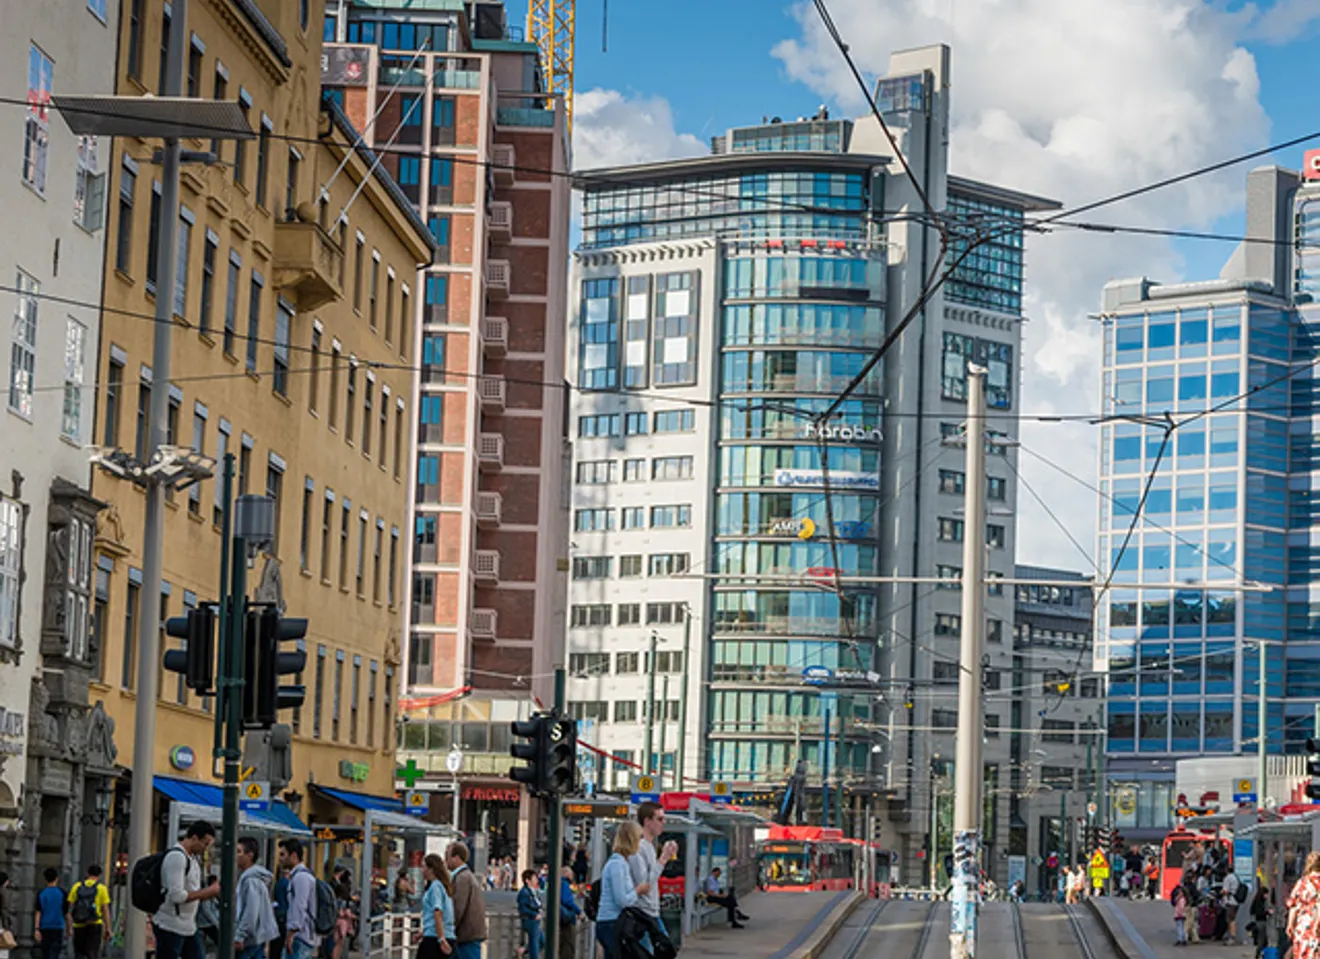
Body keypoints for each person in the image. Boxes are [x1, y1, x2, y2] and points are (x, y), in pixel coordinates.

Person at [154, 820, 221, 959]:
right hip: (171, 924)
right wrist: (208, 892)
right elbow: (176, 895)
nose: (205, 848)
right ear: (194, 838)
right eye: (205, 843)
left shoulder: (193, 859)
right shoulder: (177, 858)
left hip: (188, 925)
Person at [598, 822, 650, 959]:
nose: (641, 842)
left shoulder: (619, 863)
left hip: (609, 922)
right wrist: (638, 891)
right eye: (639, 838)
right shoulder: (618, 865)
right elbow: (622, 900)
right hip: (612, 922)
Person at [628, 803, 677, 929]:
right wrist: (663, 859)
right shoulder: (638, 848)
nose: (663, 822)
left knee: (663, 947)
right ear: (647, 821)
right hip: (642, 913)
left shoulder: (650, 847)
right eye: (660, 819)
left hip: (651, 911)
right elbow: (644, 884)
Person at [234, 837, 279, 959]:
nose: (235, 855)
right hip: (257, 937)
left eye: (238, 851)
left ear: (250, 855)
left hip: (250, 940)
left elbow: (251, 911)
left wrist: (240, 936)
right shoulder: (254, 878)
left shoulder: (251, 881)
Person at [278, 838, 320, 959]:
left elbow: (299, 906)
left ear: (294, 855)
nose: (280, 858)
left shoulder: (301, 877)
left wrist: (291, 933)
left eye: (283, 854)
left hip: (300, 937)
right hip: (303, 936)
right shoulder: (302, 876)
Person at [446, 842, 487, 959]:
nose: (445, 860)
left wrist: (447, 930)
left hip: (466, 937)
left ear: (457, 858)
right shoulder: (466, 876)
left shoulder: (462, 878)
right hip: (468, 936)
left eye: (447, 856)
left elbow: (457, 908)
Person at [68, 864, 111, 959]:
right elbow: (105, 909)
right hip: (95, 923)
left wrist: (69, 926)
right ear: (99, 875)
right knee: (92, 953)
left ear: (87, 873)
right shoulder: (102, 888)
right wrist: (108, 928)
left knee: (79, 953)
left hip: (79, 924)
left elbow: (69, 907)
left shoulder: (77, 886)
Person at [419, 853, 455, 959]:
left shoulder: (435, 887)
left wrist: (441, 939)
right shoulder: (442, 886)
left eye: (423, 866)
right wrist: (423, 932)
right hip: (442, 934)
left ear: (431, 869)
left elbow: (437, 912)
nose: (422, 870)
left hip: (434, 938)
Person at [1288, 851, 1320, 959]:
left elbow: (1293, 905)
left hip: (1304, 925)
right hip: (1317, 926)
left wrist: (1290, 924)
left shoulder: (1302, 882)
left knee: (1303, 953)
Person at [34, 867, 66, 959]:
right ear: (57, 878)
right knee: (55, 952)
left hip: (44, 926)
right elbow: (66, 912)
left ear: (45, 879)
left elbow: (38, 912)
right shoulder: (62, 893)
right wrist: (69, 927)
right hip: (58, 926)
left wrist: (36, 929)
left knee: (45, 953)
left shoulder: (41, 893)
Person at [517, 870, 544, 959]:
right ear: (527, 880)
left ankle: (523, 950)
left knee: (541, 941)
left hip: (535, 919)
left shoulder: (533, 891)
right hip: (531, 920)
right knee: (535, 943)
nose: (536, 880)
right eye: (534, 878)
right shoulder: (525, 892)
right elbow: (522, 908)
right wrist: (533, 914)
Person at [559, 866, 581, 959]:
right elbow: (568, 901)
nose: (572, 876)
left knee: (563, 944)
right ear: (566, 874)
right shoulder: (565, 884)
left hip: (561, 918)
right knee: (568, 944)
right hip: (568, 918)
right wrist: (579, 911)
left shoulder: (558, 883)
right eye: (571, 873)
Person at [271, 866, 290, 959]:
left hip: (277, 913)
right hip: (284, 914)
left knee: (275, 943)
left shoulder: (277, 883)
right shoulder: (287, 883)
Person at [1222, 870, 1243, 946]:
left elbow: (1225, 891)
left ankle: (1232, 938)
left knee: (1230, 920)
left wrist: (1220, 893)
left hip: (1230, 901)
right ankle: (1230, 936)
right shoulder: (1236, 877)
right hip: (1236, 901)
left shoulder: (1228, 878)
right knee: (1232, 919)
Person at [1172, 882, 1190, 946]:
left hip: (1180, 914)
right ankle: (1183, 939)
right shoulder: (1183, 899)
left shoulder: (1181, 899)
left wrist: (1180, 913)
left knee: (1180, 927)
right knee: (1182, 927)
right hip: (1181, 914)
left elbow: (1181, 907)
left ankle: (1181, 939)